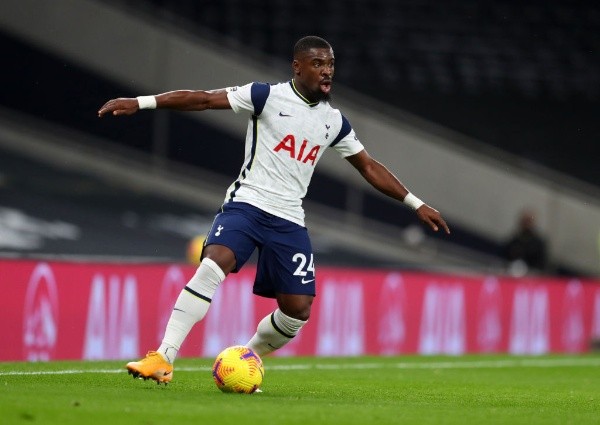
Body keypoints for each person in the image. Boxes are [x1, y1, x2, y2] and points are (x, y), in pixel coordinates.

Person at [98, 35, 450, 384]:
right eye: (318, 64)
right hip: (248, 204)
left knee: (297, 311)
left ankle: (246, 354)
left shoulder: (334, 122)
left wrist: (415, 203)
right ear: (297, 67)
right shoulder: (264, 96)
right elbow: (204, 100)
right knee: (213, 263)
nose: (327, 71)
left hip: (289, 219)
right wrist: (142, 102)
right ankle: (164, 356)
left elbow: (369, 167)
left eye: (330, 65)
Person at [504, 209, 547, 273]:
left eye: (528, 222)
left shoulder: (538, 244)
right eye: (524, 221)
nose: (526, 224)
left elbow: (541, 264)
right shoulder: (513, 241)